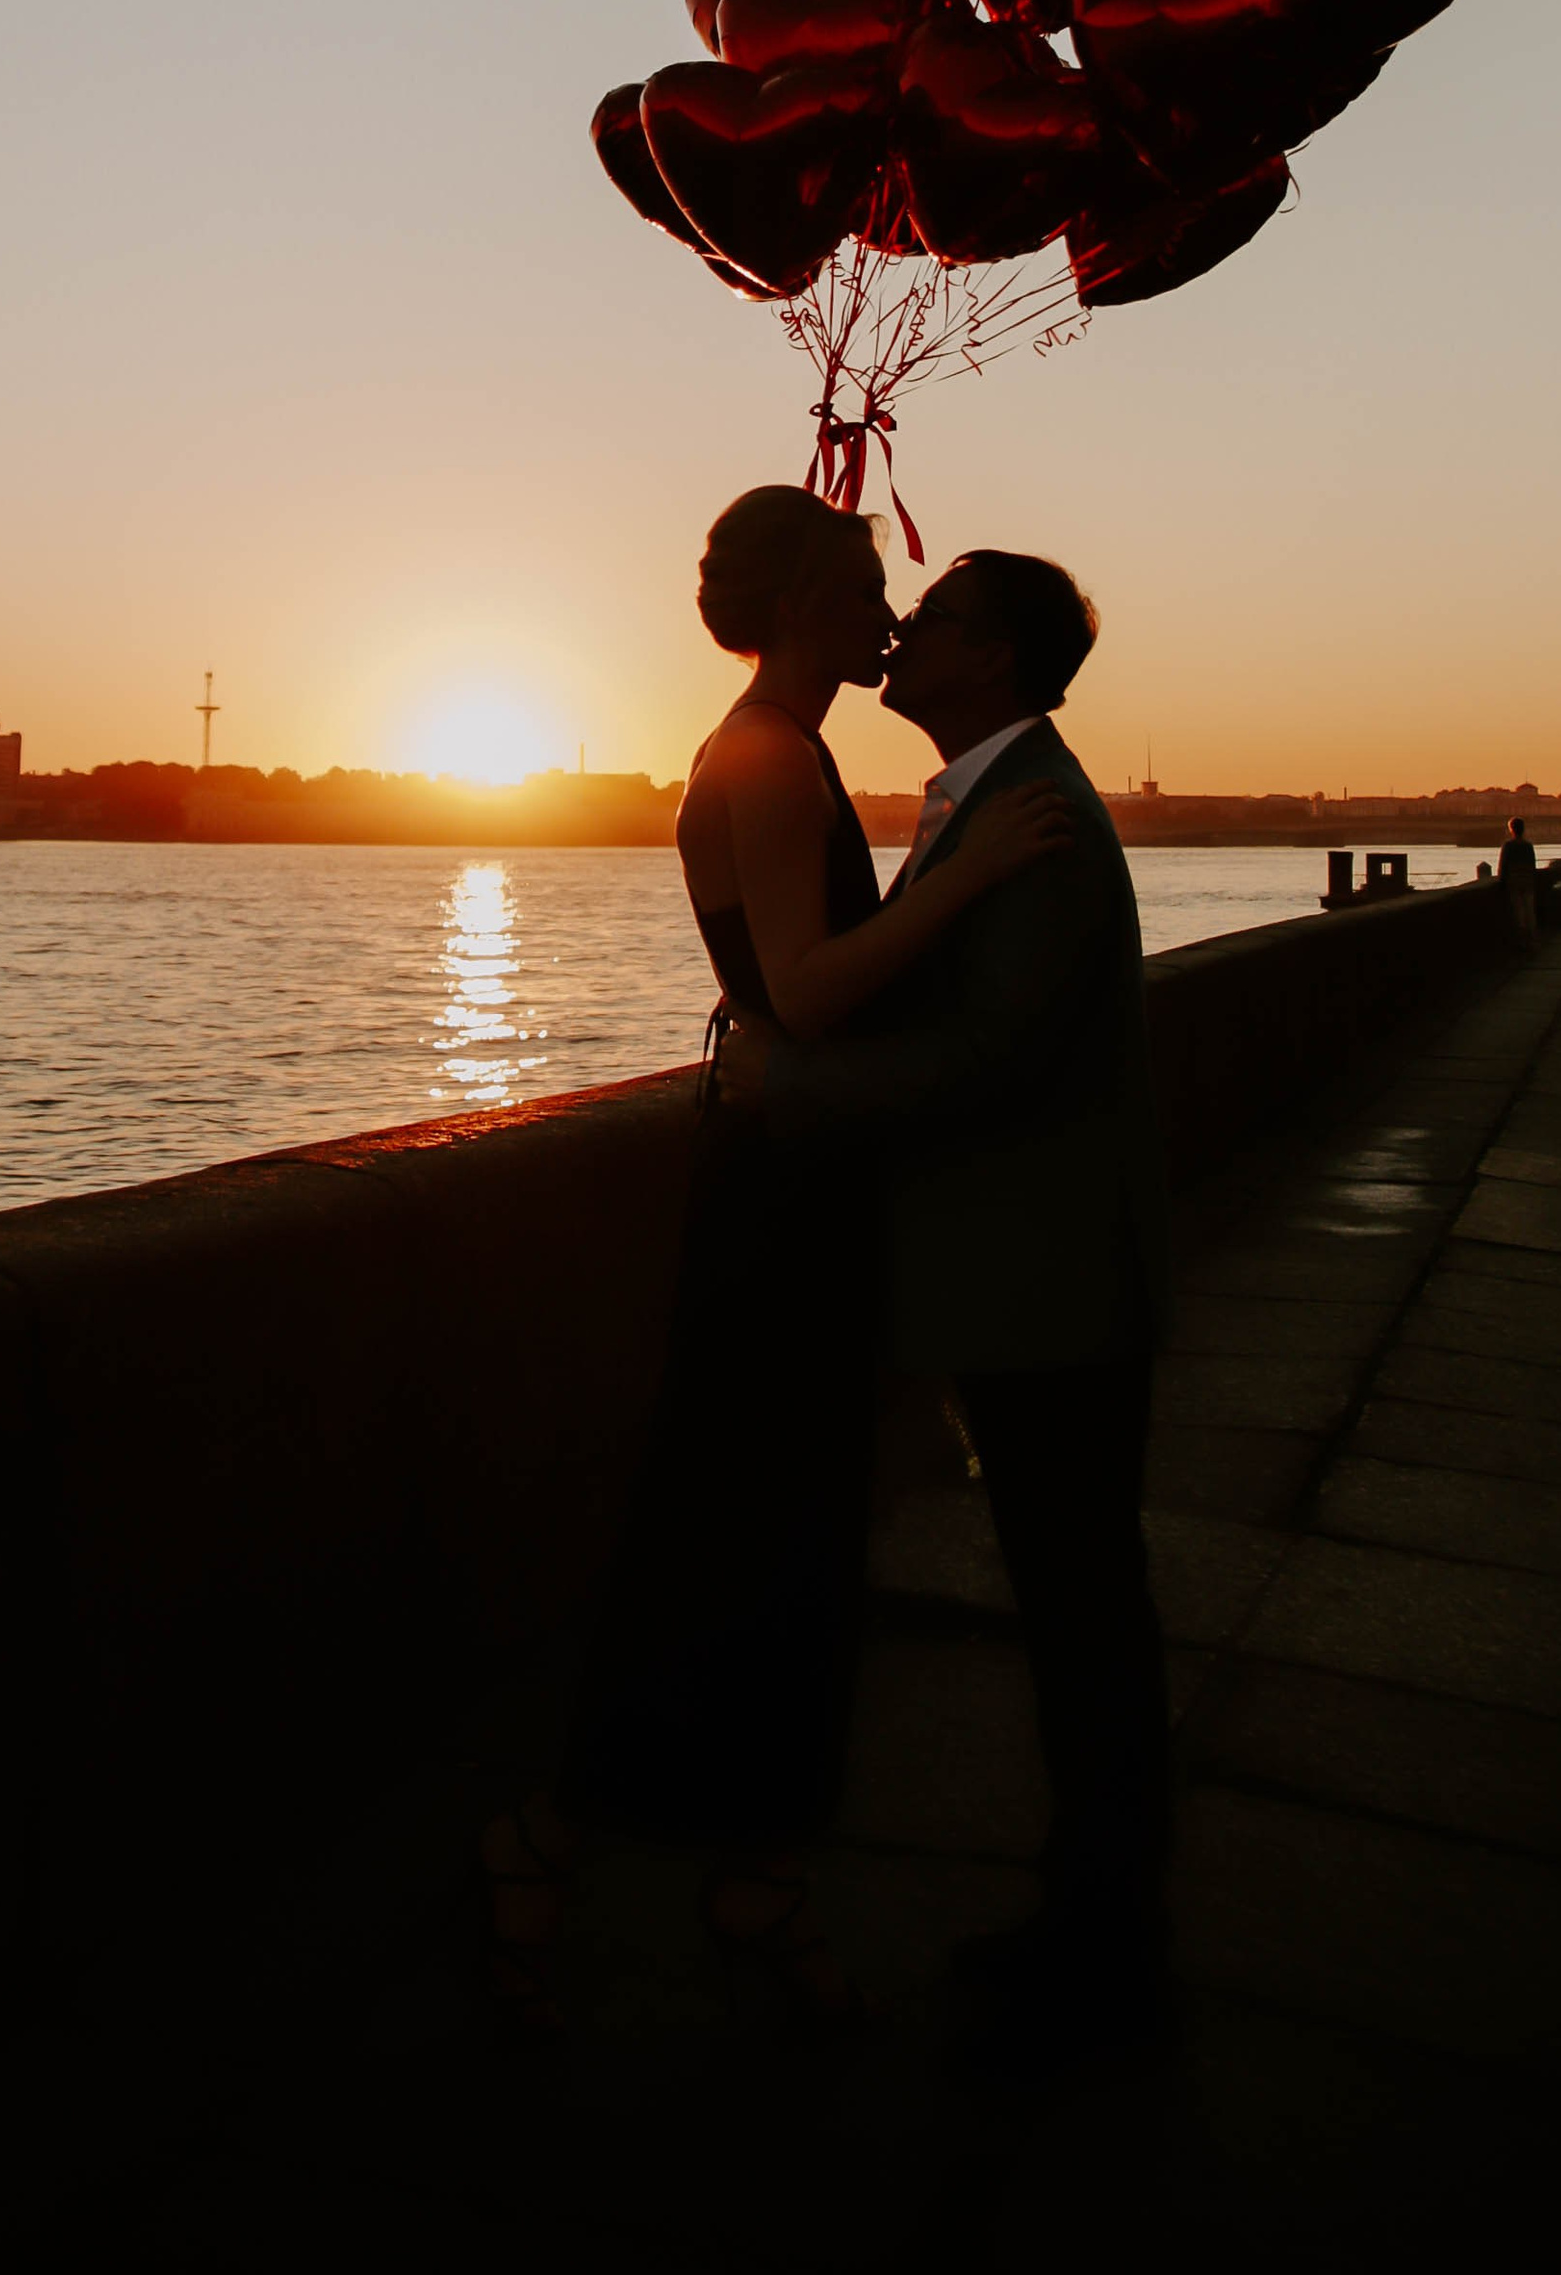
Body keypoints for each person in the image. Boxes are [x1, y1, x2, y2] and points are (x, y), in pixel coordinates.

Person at [480, 487, 1073, 2027]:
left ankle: (749, 1863)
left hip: (800, 1183)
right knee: (735, 1527)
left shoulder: (782, 748)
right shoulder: (758, 755)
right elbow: (804, 995)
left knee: (780, 1535)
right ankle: (565, 1833)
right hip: (776, 1204)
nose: (892, 611)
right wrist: (969, 877)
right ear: (809, 602)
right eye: (871, 585)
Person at [720, 548, 1174, 2078]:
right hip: (1034, 1278)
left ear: (995, 661)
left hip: (1054, 1289)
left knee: (1084, 1613)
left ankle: (1106, 1948)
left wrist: (790, 1087)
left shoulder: (1035, 819)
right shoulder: (990, 802)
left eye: (942, 616)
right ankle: (1092, 1922)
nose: (908, 629)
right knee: (1075, 1605)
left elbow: (992, 1057)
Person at [1497, 814, 1540, 946]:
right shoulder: (1528, 846)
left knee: (1518, 910)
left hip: (1514, 882)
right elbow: (1532, 865)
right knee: (1529, 910)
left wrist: (1501, 881)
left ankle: (1522, 938)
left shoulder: (1508, 846)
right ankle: (1532, 938)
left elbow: (1503, 865)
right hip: (1528, 881)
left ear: (1512, 829)